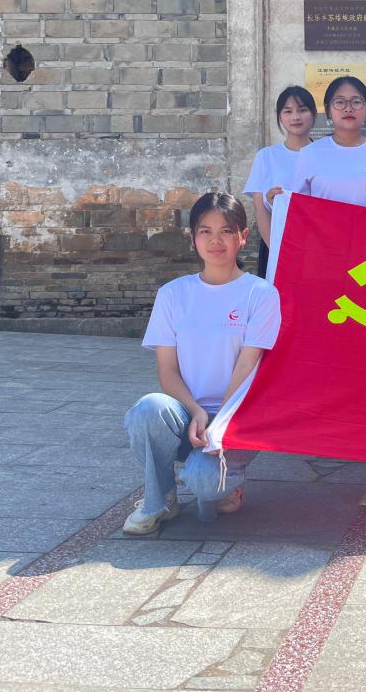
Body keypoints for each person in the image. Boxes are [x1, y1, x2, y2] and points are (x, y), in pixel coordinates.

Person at [123, 192, 281, 533]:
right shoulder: (173, 294)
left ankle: (224, 481)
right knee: (148, 409)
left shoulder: (261, 294)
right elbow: (167, 370)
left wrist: (218, 421)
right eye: (205, 231)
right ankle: (159, 501)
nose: (215, 241)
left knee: (204, 482)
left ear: (242, 236)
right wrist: (195, 411)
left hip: (236, 416)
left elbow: (247, 365)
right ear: (193, 237)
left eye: (226, 231)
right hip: (186, 413)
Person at [289, 76, 366, 209]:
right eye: (340, 102)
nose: (348, 108)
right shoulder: (309, 154)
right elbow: (297, 206)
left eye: (356, 102)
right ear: (328, 110)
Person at [243, 85, 314, 278]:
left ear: (313, 114)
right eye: (288, 111)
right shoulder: (266, 157)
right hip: (276, 245)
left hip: (317, 247)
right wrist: (279, 252)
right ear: (280, 117)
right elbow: (261, 210)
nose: (295, 117)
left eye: (302, 110)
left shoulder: (324, 155)